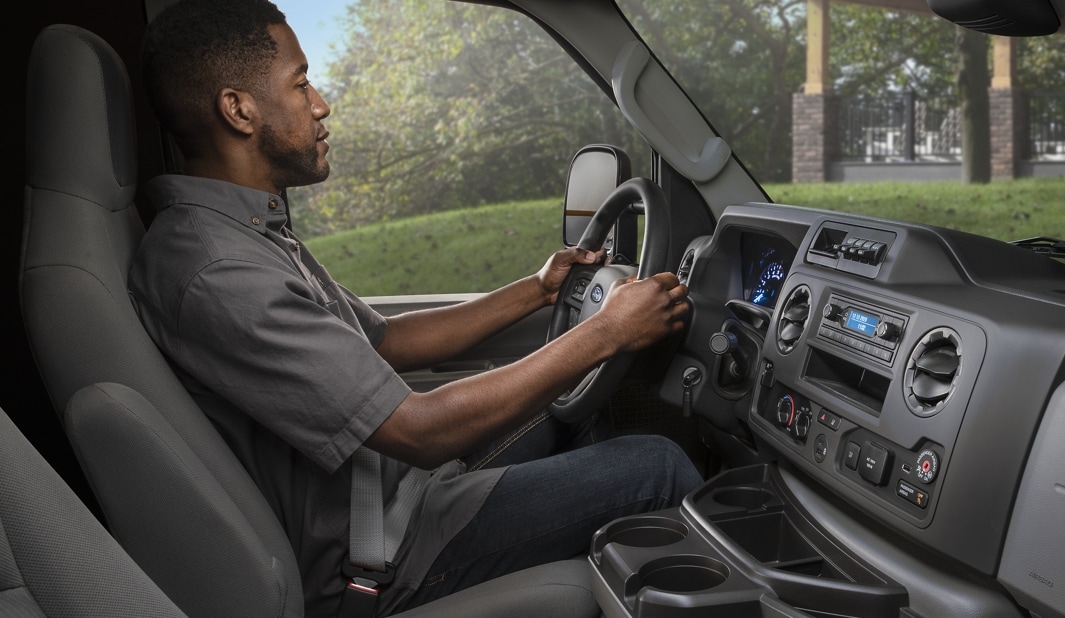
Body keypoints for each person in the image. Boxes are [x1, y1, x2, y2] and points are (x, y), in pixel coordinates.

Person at [128, 0, 702, 614]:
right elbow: (420, 432)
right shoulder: (221, 272)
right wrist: (607, 331)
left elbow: (384, 344)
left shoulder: (247, 234)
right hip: (383, 553)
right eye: (300, 83)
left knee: (583, 411)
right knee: (658, 468)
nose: (319, 104)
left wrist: (536, 289)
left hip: (392, 496)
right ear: (238, 109)